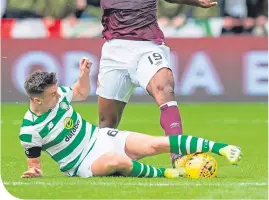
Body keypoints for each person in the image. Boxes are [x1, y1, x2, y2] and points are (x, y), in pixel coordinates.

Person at [61, 0, 218, 166]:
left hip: (148, 46)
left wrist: (197, 1)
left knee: (164, 86)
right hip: (114, 50)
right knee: (106, 123)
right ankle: (100, 160)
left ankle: (178, 155)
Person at [20, 58, 242, 178]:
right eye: (52, 94)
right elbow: (35, 166)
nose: (58, 94)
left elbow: (80, 92)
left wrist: (84, 76)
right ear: (37, 100)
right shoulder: (30, 131)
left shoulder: (59, 97)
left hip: (102, 138)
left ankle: (220, 148)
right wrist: (34, 171)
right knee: (117, 161)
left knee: (156, 143)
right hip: (82, 164)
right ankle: (167, 174)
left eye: (57, 90)